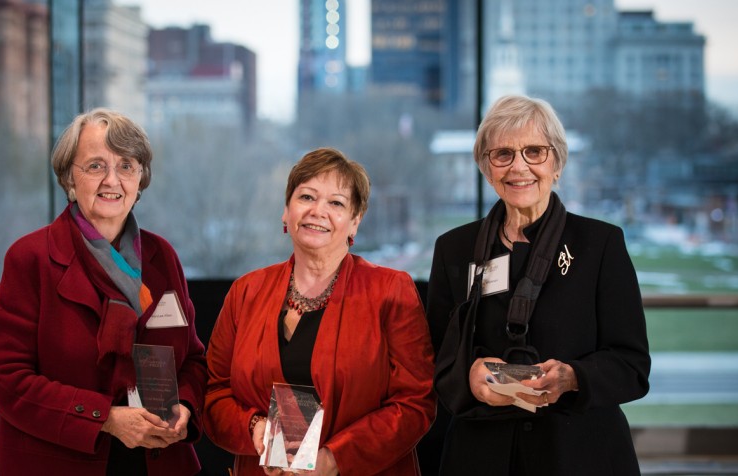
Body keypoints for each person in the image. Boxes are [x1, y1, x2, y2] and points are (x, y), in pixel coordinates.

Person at [427, 95, 651, 475]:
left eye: (534, 152)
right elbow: (434, 358)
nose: (519, 167)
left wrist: (573, 377)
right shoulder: (454, 249)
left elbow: (632, 366)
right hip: (481, 456)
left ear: (557, 164)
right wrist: (469, 378)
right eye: (503, 154)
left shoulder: (600, 245)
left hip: (579, 454)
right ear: (486, 167)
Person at [0, 109, 207, 475]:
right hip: (63, 462)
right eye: (96, 166)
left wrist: (184, 405)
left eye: (126, 166)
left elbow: (193, 361)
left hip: (158, 460)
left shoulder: (162, 257)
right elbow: (4, 376)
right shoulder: (30, 259)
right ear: (70, 176)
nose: (112, 180)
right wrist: (106, 418)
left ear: (140, 179)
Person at [204, 147, 436, 475]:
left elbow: (415, 404)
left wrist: (333, 459)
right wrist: (256, 428)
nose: (318, 211)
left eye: (336, 203)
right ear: (286, 212)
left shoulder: (390, 291)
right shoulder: (246, 292)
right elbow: (216, 392)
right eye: (307, 197)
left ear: (355, 221)